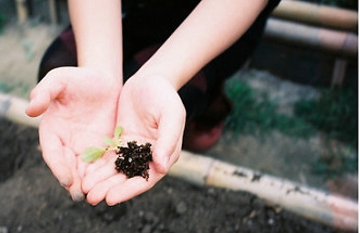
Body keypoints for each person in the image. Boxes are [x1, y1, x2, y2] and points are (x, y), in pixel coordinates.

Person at [25, 0, 280, 206]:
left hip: (215, 21)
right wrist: (100, 71)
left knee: (174, 95)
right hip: (136, 9)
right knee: (58, 65)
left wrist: (161, 76)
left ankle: (208, 106)